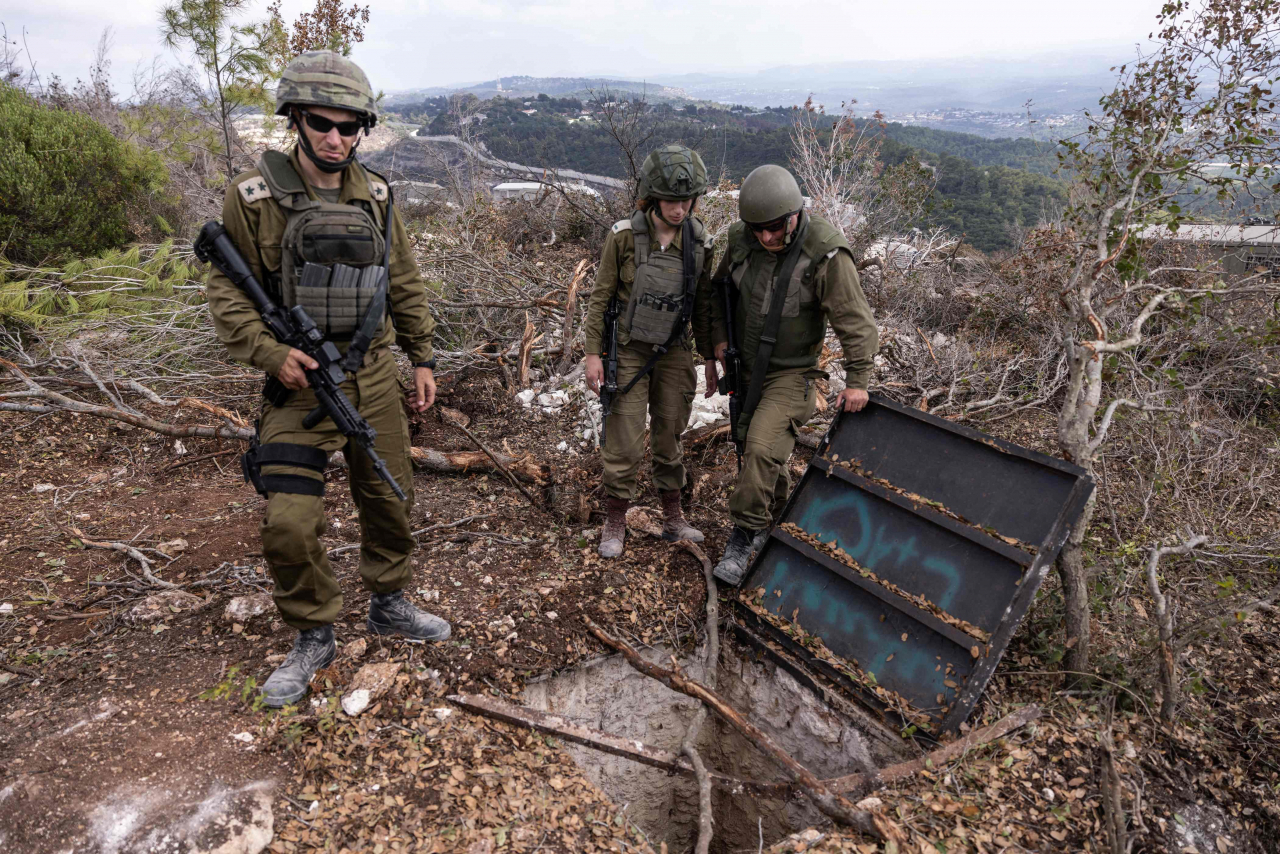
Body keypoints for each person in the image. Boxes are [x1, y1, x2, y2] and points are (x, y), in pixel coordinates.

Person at [206, 51, 450, 708]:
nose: (336, 138)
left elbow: (402, 280)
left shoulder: (374, 194)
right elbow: (226, 294)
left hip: (370, 373)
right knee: (288, 523)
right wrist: (269, 353)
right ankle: (313, 630)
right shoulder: (252, 200)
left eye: (350, 127)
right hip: (297, 385)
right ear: (296, 120)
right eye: (321, 124)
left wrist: (421, 357)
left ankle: (389, 602)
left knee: (390, 496)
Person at [694, 164, 878, 585]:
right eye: (758, 228)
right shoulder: (743, 241)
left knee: (759, 447)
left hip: (793, 373)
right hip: (744, 365)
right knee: (753, 443)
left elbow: (857, 323)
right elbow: (718, 292)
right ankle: (780, 512)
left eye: (775, 227)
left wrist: (858, 381)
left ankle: (746, 535)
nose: (767, 237)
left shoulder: (824, 251)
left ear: (795, 214)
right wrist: (718, 343)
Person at [583, 144, 715, 558]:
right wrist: (592, 354)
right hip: (628, 349)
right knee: (623, 439)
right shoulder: (624, 237)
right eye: (672, 200)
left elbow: (705, 306)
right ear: (653, 196)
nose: (680, 209)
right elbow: (601, 298)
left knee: (670, 432)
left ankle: (673, 518)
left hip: (674, 350)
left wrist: (710, 357)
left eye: (687, 200)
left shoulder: (698, 240)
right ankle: (616, 519)